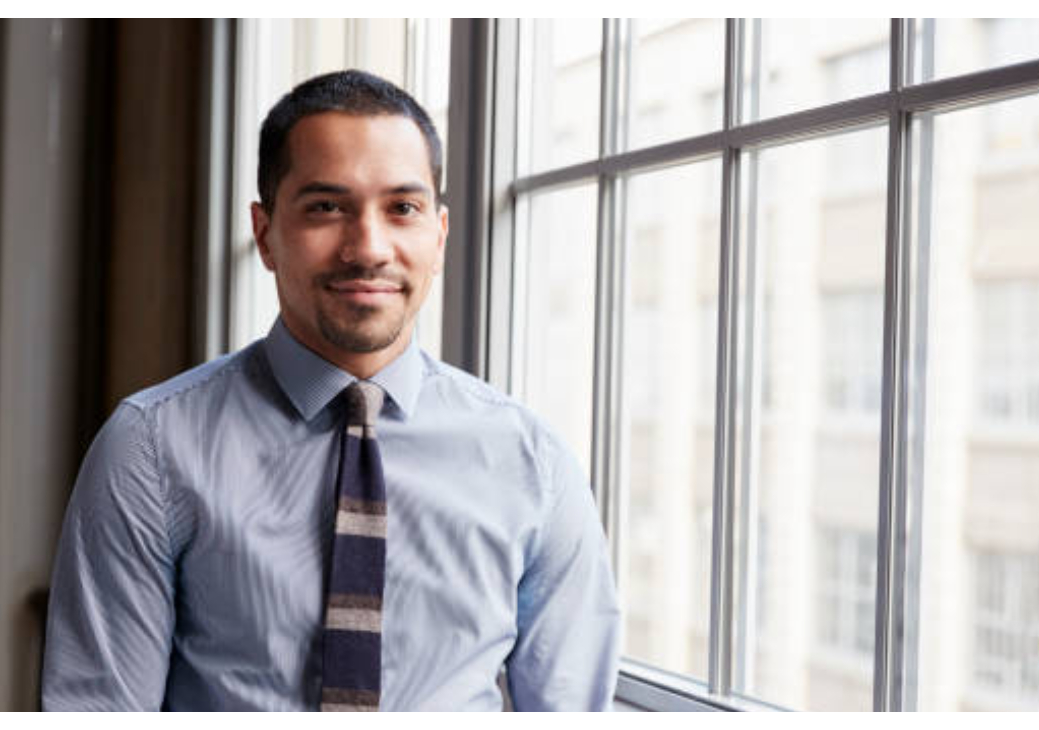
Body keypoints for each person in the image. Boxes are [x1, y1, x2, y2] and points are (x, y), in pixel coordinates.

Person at [41, 69, 621, 711]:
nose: (368, 248)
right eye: (326, 207)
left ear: (438, 236)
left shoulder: (532, 461)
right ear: (265, 235)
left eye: (403, 208)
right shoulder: (150, 447)